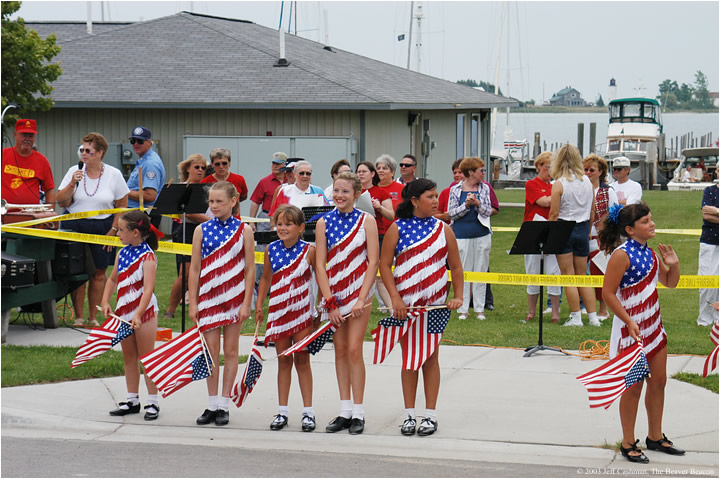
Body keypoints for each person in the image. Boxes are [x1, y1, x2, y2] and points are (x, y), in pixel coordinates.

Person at [600, 202, 684, 464]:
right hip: (631, 332)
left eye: (651, 219)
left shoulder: (650, 254)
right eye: (646, 221)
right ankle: (627, 442)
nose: (652, 224)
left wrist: (674, 264)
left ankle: (655, 436)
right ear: (630, 229)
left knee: (658, 382)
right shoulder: (621, 255)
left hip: (654, 328)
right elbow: (608, 293)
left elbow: (669, 283)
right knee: (633, 387)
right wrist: (627, 321)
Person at [379, 178, 463, 437]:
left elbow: (456, 266)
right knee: (409, 360)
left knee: (430, 358)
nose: (436, 200)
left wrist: (457, 296)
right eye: (430, 196)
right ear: (415, 201)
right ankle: (409, 415)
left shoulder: (444, 229)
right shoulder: (397, 228)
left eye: (436, 195)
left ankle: (430, 414)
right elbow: (384, 265)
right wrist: (395, 298)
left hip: (435, 307)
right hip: (406, 307)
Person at [315, 171, 379, 435]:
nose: (340, 196)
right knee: (340, 351)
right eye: (336, 191)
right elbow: (320, 263)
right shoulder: (323, 222)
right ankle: (344, 411)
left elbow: (373, 261)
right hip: (335, 296)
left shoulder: (368, 221)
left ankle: (359, 412)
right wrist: (329, 301)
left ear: (357, 194)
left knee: (354, 350)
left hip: (359, 296)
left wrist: (362, 298)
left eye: (345, 191)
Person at [189, 181, 255, 427]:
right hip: (209, 298)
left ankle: (225, 404)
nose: (214, 206)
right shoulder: (201, 230)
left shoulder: (244, 230)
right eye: (211, 202)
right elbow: (195, 268)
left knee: (231, 351)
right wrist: (193, 301)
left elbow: (249, 269)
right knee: (210, 353)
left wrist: (246, 302)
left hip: (235, 298)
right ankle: (212, 403)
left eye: (219, 202)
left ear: (233, 201)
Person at [57, 132, 129, 327]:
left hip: (103, 226)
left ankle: (93, 317)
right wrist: (72, 183)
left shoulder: (113, 174)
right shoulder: (74, 170)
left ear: (100, 153)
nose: (84, 154)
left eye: (88, 151)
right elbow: (61, 200)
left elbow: (122, 205)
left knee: (98, 272)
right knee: (78, 272)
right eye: (82, 150)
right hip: (74, 225)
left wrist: (114, 230)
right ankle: (79, 317)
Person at [255, 205, 317, 432]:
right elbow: (265, 280)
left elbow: (319, 279)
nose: (282, 228)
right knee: (283, 360)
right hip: (279, 312)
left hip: (301, 313)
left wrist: (318, 309)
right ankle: (282, 411)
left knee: (302, 359)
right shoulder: (271, 249)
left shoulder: (310, 251)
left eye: (288, 224)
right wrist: (259, 304)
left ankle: (308, 411)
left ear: (301, 228)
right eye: (279, 224)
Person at [100, 210, 160, 421]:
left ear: (135, 232)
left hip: (144, 313)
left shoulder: (148, 257)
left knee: (147, 358)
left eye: (121, 230)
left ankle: (153, 402)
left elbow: (148, 289)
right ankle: (132, 400)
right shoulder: (122, 253)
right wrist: (106, 300)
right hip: (124, 312)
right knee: (129, 357)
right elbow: (112, 279)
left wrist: (139, 314)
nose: (117, 234)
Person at [548, 144, 600, 327]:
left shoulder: (559, 184)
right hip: (582, 227)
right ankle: (593, 317)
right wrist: (587, 231)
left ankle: (576, 317)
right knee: (582, 276)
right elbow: (593, 210)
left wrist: (550, 238)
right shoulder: (587, 181)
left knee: (568, 276)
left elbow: (553, 214)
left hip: (564, 227)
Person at [163, 154, 210, 319]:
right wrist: (212, 220)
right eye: (197, 167)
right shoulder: (183, 187)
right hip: (187, 230)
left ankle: (197, 307)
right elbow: (189, 213)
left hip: (203, 231)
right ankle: (170, 310)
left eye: (203, 167)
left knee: (202, 271)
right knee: (185, 272)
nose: (200, 170)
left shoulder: (206, 188)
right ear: (188, 168)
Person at [448, 157, 493, 321]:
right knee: (463, 272)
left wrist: (478, 203)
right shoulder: (455, 189)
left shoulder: (485, 188)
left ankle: (480, 309)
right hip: (461, 235)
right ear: (471, 172)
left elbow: (489, 211)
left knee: (481, 270)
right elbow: (451, 213)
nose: (483, 173)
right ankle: (463, 309)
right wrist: (466, 206)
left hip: (482, 234)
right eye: (481, 170)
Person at [523, 152, 561, 323]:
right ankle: (531, 312)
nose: (549, 171)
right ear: (538, 166)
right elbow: (543, 202)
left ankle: (555, 313)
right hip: (533, 230)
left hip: (552, 230)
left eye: (553, 168)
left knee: (553, 272)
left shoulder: (555, 186)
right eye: (547, 167)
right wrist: (558, 198)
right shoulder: (531, 184)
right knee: (533, 271)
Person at [584, 154, 618, 320]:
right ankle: (583, 306)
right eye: (586, 170)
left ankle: (603, 309)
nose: (588, 173)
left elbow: (613, 214)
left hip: (600, 238)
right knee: (580, 273)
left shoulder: (608, 191)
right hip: (583, 235)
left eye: (592, 170)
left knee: (600, 273)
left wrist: (607, 238)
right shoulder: (581, 188)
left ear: (600, 172)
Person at [1, 118, 55, 206]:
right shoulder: (2, 155)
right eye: (24, 135)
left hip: (30, 217)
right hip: (3, 215)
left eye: (31, 136)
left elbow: (49, 189)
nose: (27, 139)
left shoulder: (42, 161)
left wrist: (50, 213)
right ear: (15, 135)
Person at [126, 126, 165, 226]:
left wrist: (123, 192)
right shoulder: (144, 160)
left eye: (140, 141)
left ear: (149, 142)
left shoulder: (150, 163)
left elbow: (150, 195)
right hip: (138, 213)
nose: (136, 144)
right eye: (133, 141)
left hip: (143, 215)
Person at [697, 171, 719, 326]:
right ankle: (704, 319)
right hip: (709, 242)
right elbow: (706, 214)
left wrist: (716, 211)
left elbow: (711, 213)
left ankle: (717, 318)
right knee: (706, 280)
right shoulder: (710, 191)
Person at [436, 159, 464, 223]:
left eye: (460, 172)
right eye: (455, 173)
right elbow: (434, 215)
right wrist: (443, 216)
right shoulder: (446, 192)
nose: (457, 175)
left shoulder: (473, 191)